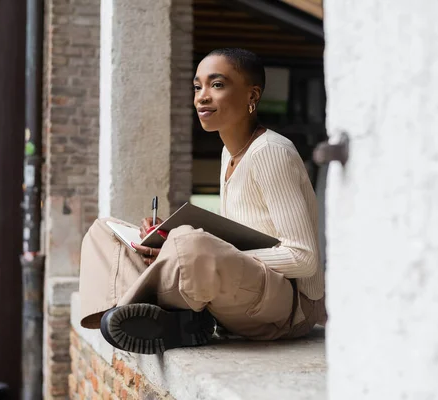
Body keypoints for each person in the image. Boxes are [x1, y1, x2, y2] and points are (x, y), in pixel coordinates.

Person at [79, 48, 326, 354]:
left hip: (286, 310)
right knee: (104, 230)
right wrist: (163, 241)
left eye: (217, 85)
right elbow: (241, 235)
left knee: (190, 244)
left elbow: (304, 258)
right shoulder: (229, 153)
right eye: (198, 87)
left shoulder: (271, 152)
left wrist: (201, 249)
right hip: (241, 294)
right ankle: (154, 318)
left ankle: (146, 311)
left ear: (252, 95)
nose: (202, 97)